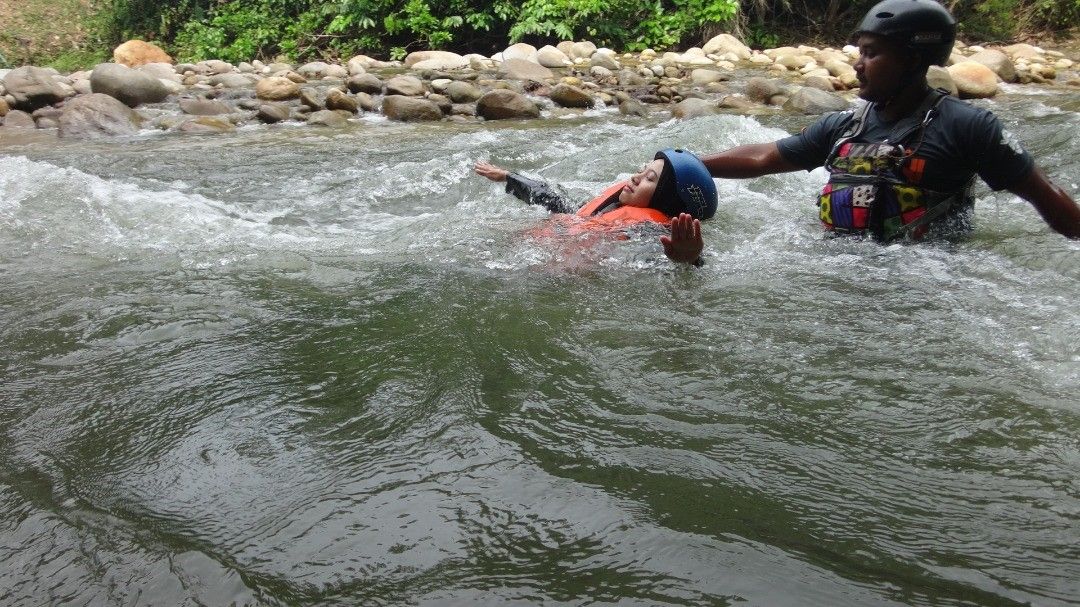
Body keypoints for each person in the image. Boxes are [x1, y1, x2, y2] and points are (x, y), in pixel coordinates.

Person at [663, 0, 1080, 264]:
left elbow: (1046, 199)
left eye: (872, 53)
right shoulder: (844, 125)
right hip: (839, 268)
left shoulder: (969, 127)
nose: (858, 64)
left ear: (913, 59)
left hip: (931, 278)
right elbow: (765, 157)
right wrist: (682, 165)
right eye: (860, 52)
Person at [475, 149, 718, 236]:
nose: (636, 177)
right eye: (642, 170)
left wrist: (689, 258)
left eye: (650, 179)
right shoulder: (616, 208)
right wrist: (509, 177)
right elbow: (559, 204)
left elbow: (664, 260)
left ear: (666, 199)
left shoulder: (648, 230)